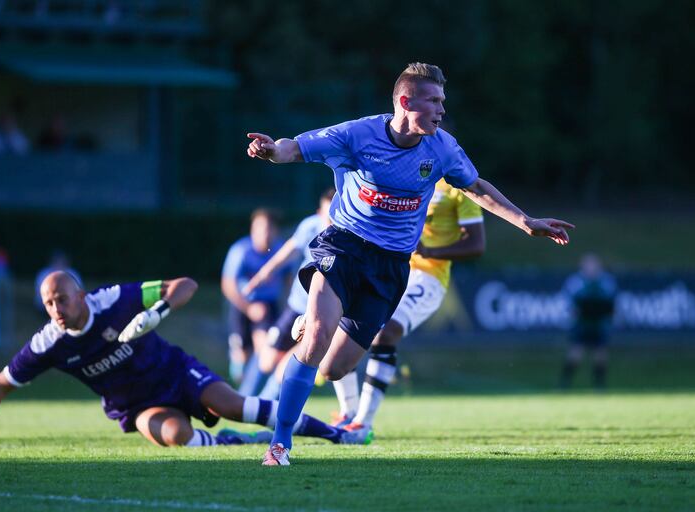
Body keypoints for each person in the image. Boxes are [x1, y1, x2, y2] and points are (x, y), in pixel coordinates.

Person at [246, 62, 573, 466]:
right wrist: (271, 151)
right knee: (316, 339)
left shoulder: (442, 148)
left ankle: (313, 322)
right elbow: (294, 148)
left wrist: (526, 221)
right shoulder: (357, 134)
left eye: (442, 101)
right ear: (405, 102)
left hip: (392, 266)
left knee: (333, 369)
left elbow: (475, 187)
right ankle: (280, 445)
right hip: (344, 247)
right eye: (433, 101)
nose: (441, 110)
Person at [0, 272, 353, 451]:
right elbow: (0, 384)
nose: (57, 308)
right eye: (49, 303)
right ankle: (233, 443)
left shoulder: (114, 301)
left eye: (62, 298)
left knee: (236, 405)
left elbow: (186, 285)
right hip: (138, 406)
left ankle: (335, 435)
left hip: (176, 373)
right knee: (178, 437)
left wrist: (157, 311)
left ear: (81, 295)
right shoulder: (49, 344)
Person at [330, 178, 485, 437]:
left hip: (428, 277)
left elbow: (476, 245)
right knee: (343, 326)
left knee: (386, 333)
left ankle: (363, 423)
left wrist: (429, 251)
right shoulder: (404, 173)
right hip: (386, 268)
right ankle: (348, 413)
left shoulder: (458, 186)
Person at [240, 189, 335, 399]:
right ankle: (248, 401)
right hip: (296, 307)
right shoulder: (310, 226)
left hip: (322, 314)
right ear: (319, 212)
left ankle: (264, 406)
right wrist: (264, 273)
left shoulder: (348, 235)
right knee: (266, 360)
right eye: (327, 215)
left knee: (286, 367)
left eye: (335, 214)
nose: (330, 220)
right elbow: (289, 250)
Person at [221, 209, 287, 393]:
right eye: (260, 228)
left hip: (268, 306)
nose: (264, 233)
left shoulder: (280, 250)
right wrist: (249, 308)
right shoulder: (241, 251)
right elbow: (228, 284)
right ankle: (240, 383)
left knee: (264, 348)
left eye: (269, 228)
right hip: (242, 306)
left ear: (275, 230)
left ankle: (247, 394)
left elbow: (288, 278)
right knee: (241, 356)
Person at [559, 254, 617, 390]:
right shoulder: (576, 282)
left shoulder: (606, 281)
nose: (591, 268)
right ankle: (564, 384)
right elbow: (568, 302)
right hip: (582, 324)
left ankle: (599, 386)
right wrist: (572, 312)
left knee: (600, 355)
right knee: (575, 354)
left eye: (593, 264)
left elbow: (612, 302)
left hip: (599, 324)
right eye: (588, 264)